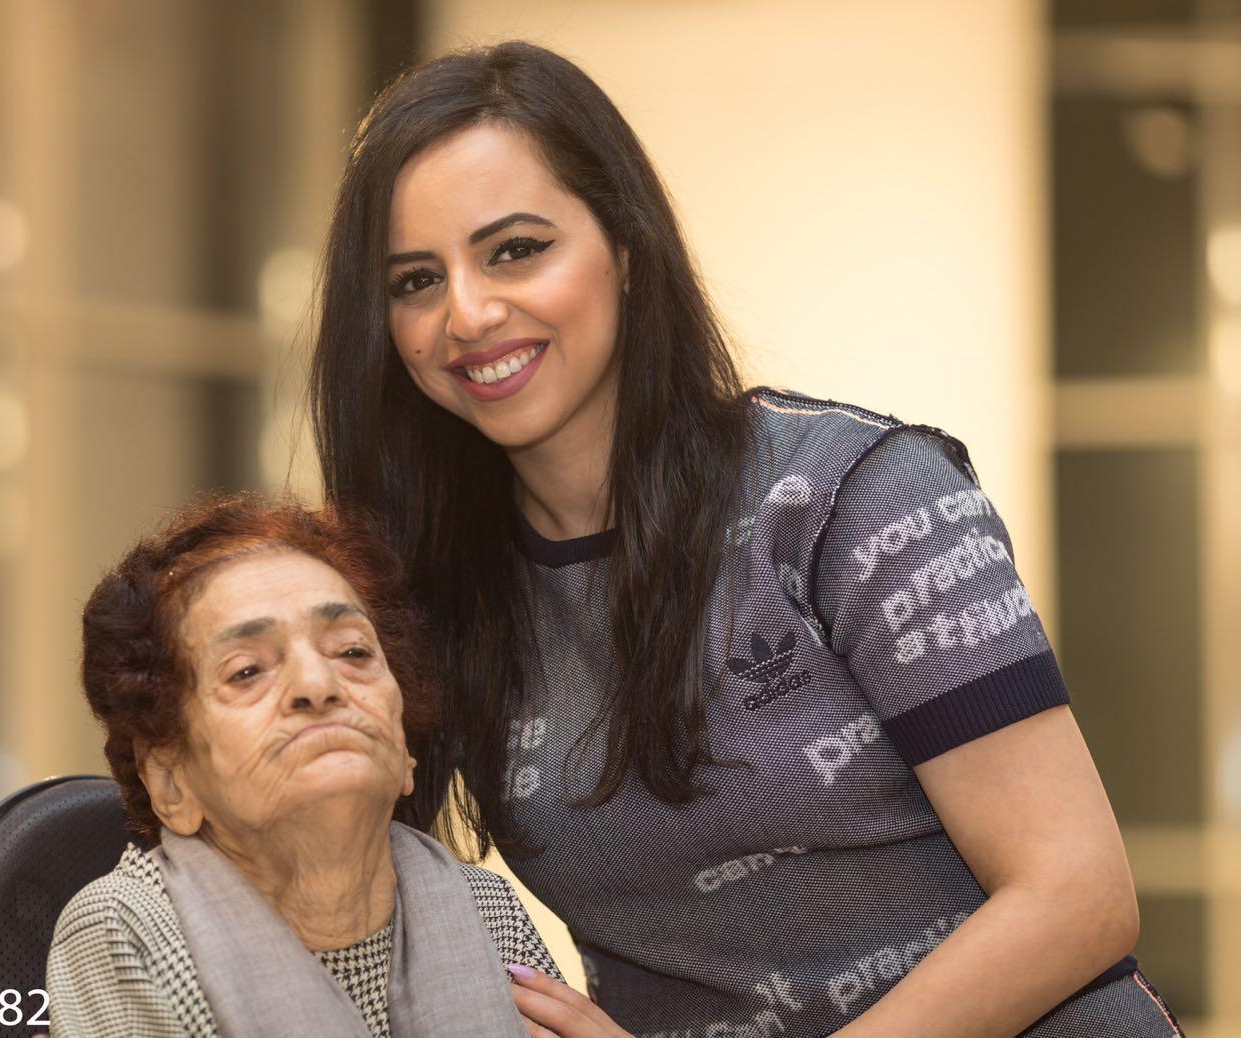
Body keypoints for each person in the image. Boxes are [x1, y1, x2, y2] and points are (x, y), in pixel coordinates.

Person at [308, 40, 1184, 1038]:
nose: (465, 313)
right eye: (416, 280)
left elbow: (1077, 897)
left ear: (626, 249)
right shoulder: (439, 593)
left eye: (515, 250)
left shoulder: (851, 498)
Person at [45, 497, 561, 1037]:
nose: (319, 685)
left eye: (353, 653)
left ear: (405, 750)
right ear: (172, 783)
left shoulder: (486, 908)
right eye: (247, 671)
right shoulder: (130, 931)